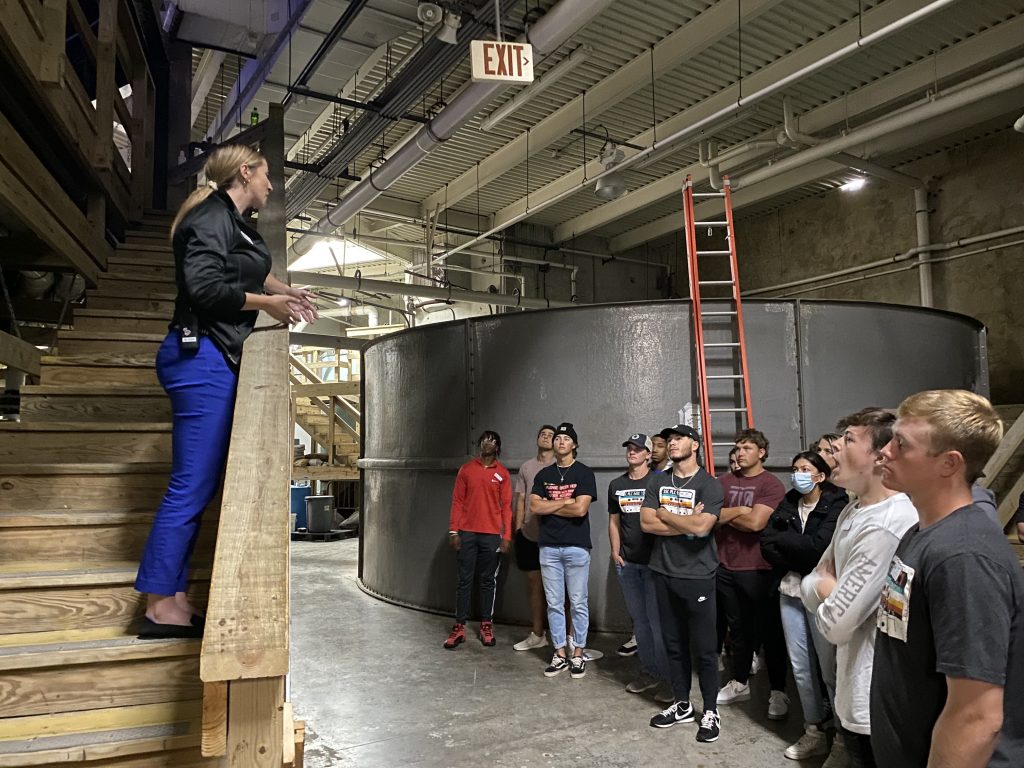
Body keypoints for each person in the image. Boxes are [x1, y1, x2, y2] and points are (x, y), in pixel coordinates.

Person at [135, 145, 317, 638]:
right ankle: (158, 604)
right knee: (189, 485)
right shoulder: (212, 218)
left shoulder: (230, 222)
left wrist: (284, 291)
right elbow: (205, 289)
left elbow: (247, 268)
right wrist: (268, 305)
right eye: (266, 176)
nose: (271, 186)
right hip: (200, 360)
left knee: (199, 484)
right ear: (245, 172)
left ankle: (170, 598)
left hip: (211, 358)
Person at [872, 390, 1022, 768]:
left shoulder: (965, 557)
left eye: (901, 444)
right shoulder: (923, 533)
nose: (885, 451)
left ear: (948, 463)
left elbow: (977, 716)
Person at [801, 407, 918, 768]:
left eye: (849, 440)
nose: (832, 449)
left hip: (874, 702)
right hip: (852, 693)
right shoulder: (853, 511)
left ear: (879, 457)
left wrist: (822, 587)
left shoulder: (887, 524)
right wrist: (824, 586)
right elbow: (812, 580)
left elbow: (835, 625)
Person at [761, 451, 848, 761]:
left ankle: (841, 738)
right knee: (800, 669)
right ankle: (813, 730)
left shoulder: (835, 504)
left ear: (820, 476)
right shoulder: (788, 502)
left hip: (822, 595)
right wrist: (794, 552)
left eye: (805, 469)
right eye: (795, 468)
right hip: (790, 592)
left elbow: (817, 550)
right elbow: (767, 543)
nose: (797, 474)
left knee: (829, 671)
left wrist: (788, 544)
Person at [640, 424, 724, 743]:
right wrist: (685, 523)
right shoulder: (659, 480)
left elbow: (703, 529)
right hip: (663, 571)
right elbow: (647, 524)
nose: (672, 444)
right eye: (670, 440)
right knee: (673, 645)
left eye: (679, 439)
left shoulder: (709, 485)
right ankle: (682, 704)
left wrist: (666, 514)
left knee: (704, 649)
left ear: (696, 445)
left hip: (698, 575)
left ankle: (711, 710)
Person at [715, 429, 789, 719]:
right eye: (738, 447)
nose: (740, 452)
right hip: (726, 566)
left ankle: (778, 692)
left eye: (747, 447)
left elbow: (757, 523)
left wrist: (727, 514)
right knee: (740, 632)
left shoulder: (771, 484)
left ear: (762, 452)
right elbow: (710, 517)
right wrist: (740, 510)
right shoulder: (723, 482)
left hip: (758, 568)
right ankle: (740, 682)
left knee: (770, 633)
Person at [530, 423, 597, 679]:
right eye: (558, 438)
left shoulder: (584, 473)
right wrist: (565, 501)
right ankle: (559, 653)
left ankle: (578, 653)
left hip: (576, 547)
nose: (560, 441)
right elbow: (535, 507)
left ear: (574, 445)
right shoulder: (543, 475)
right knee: (554, 604)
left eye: (566, 438)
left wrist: (550, 504)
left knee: (578, 603)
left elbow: (581, 509)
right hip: (548, 547)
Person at [608, 433, 670, 698]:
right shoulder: (616, 484)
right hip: (628, 564)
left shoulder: (660, 481)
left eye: (638, 449)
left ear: (648, 455)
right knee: (641, 624)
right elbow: (614, 521)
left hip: (655, 565)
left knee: (659, 624)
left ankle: (669, 679)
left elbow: (668, 519)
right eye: (629, 448)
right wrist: (615, 551)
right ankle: (650, 672)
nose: (632, 452)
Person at [443, 430, 513, 649]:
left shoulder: (502, 474)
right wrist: (454, 531)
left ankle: (486, 624)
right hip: (467, 533)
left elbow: (506, 507)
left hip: (492, 535)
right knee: (464, 580)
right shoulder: (467, 470)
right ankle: (459, 626)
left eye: (492, 440)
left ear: (498, 447)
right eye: (484, 439)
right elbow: (457, 501)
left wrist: (507, 536)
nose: (487, 442)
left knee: (487, 581)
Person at [511, 424, 556, 651]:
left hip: (553, 536)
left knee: (561, 590)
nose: (546, 438)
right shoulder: (527, 467)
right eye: (543, 434)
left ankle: (568, 641)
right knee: (534, 586)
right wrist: (517, 530)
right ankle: (538, 634)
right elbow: (520, 500)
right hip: (528, 535)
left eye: (551, 435)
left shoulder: (560, 466)